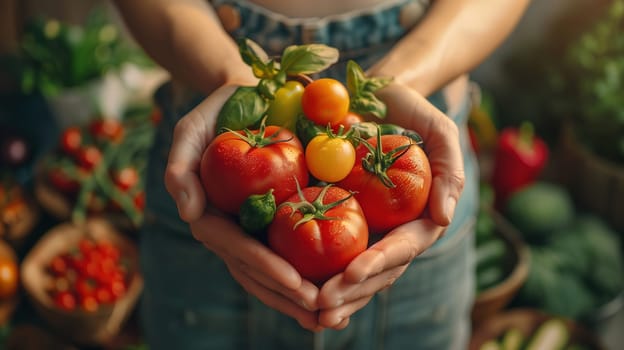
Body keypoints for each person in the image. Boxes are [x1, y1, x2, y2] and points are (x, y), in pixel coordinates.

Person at [112, 1, 529, 349]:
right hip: (212, 167)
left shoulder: (388, 156)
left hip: (412, 144)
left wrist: (401, 83)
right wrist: (234, 81)